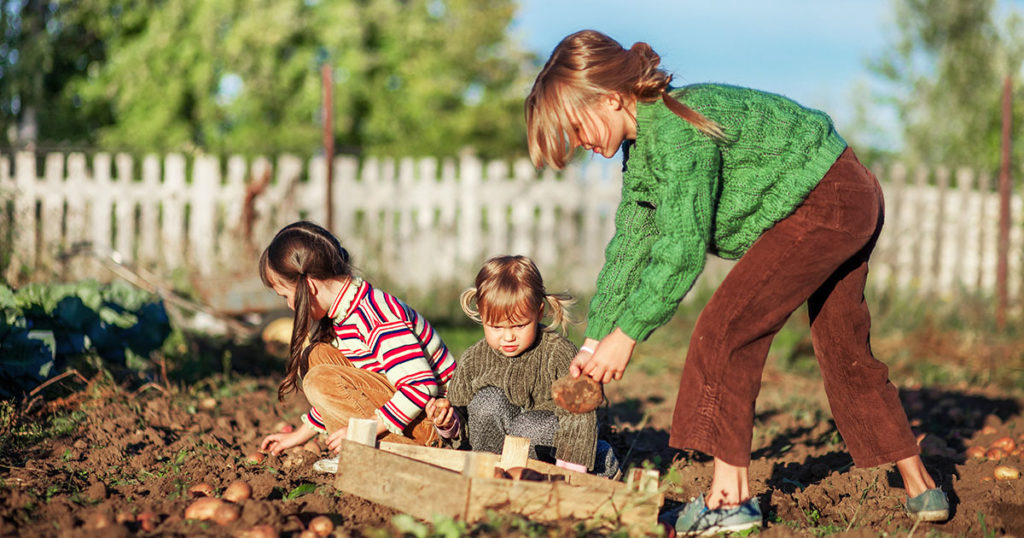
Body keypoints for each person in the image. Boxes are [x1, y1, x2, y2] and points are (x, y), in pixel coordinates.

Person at [525, 29, 949, 535]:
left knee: (726, 330)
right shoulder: (643, 150)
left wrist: (628, 334)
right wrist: (598, 338)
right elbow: (632, 244)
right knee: (843, 348)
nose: (579, 143)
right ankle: (922, 486)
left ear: (611, 98)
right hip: (845, 191)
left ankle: (729, 500)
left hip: (827, 197)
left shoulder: (677, 129)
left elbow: (681, 250)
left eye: (577, 126)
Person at [256, 221, 457, 472]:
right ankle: (362, 450)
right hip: (406, 415)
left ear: (309, 286)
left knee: (320, 378)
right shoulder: (343, 316)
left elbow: (420, 386)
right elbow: (343, 394)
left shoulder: (374, 315)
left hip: (434, 427)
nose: (289, 306)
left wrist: (361, 430)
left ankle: (391, 456)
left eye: (286, 296)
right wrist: (298, 436)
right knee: (316, 356)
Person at [432, 255, 618, 477]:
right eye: (496, 327)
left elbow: (578, 413)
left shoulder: (558, 353)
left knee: (527, 426)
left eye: (519, 326)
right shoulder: (474, 359)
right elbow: (462, 415)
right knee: (486, 404)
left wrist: (570, 472)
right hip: (500, 445)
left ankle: (601, 462)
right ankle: (489, 473)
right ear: (482, 315)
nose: (508, 337)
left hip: (551, 444)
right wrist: (448, 422)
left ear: (538, 312)